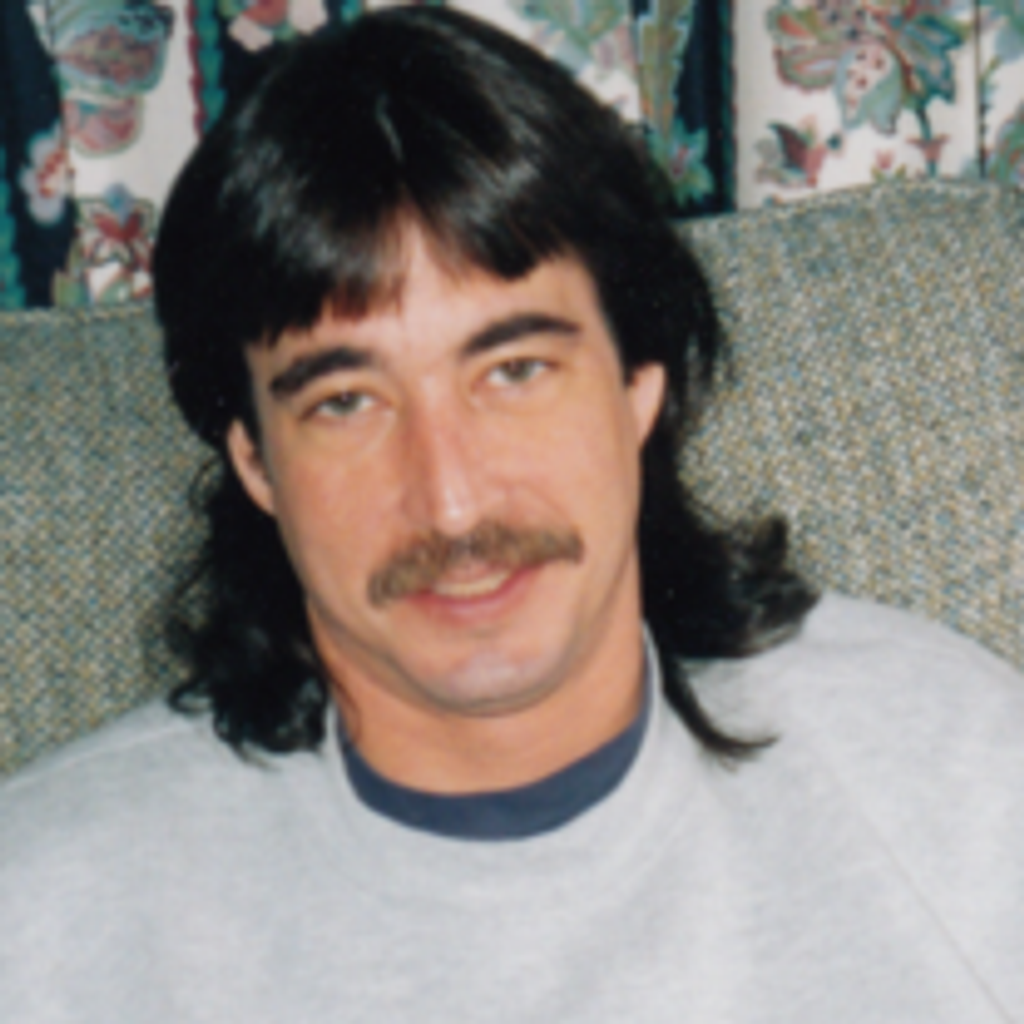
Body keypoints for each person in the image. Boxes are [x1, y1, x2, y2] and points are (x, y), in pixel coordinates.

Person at [2, 8, 1023, 1021]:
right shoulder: (47, 917)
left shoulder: (959, 774)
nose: (451, 501)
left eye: (515, 370)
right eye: (346, 402)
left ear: (637, 388)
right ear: (256, 464)